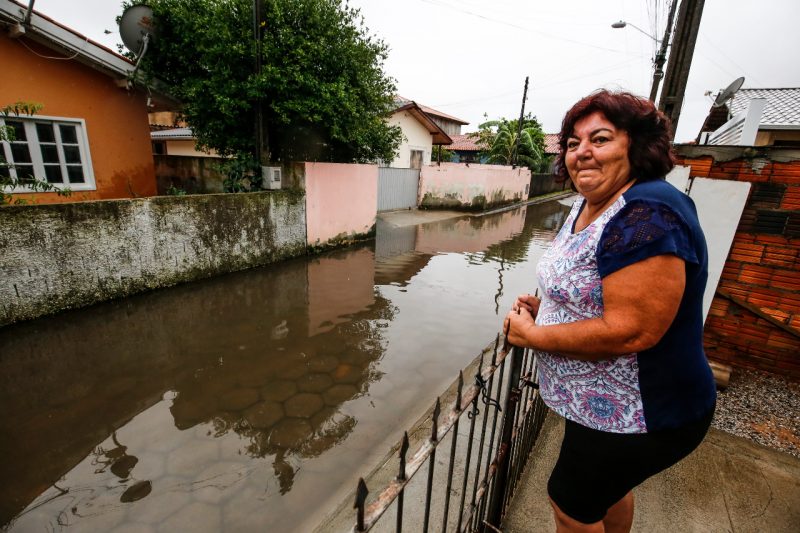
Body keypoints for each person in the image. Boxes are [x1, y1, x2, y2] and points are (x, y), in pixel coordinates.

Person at [504, 90, 716, 533]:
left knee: (571, 506)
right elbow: (599, 288)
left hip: (640, 412)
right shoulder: (590, 202)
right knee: (608, 492)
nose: (582, 151)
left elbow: (631, 331)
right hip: (597, 407)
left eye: (599, 139)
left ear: (636, 146)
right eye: (573, 143)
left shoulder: (646, 213)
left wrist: (533, 335)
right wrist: (554, 307)